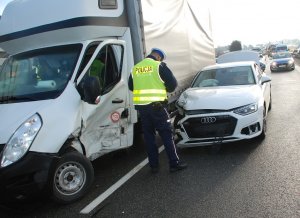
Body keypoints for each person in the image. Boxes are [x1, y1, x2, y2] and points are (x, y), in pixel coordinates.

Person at [128, 48, 187, 173]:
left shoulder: (136, 68)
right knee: (167, 135)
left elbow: (131, 86)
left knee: (149, 137)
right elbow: (172, 85)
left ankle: (154, 166)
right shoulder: (159, 66)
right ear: (159, 57)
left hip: (143, 109)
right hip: (158, 108)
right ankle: (174, 164)